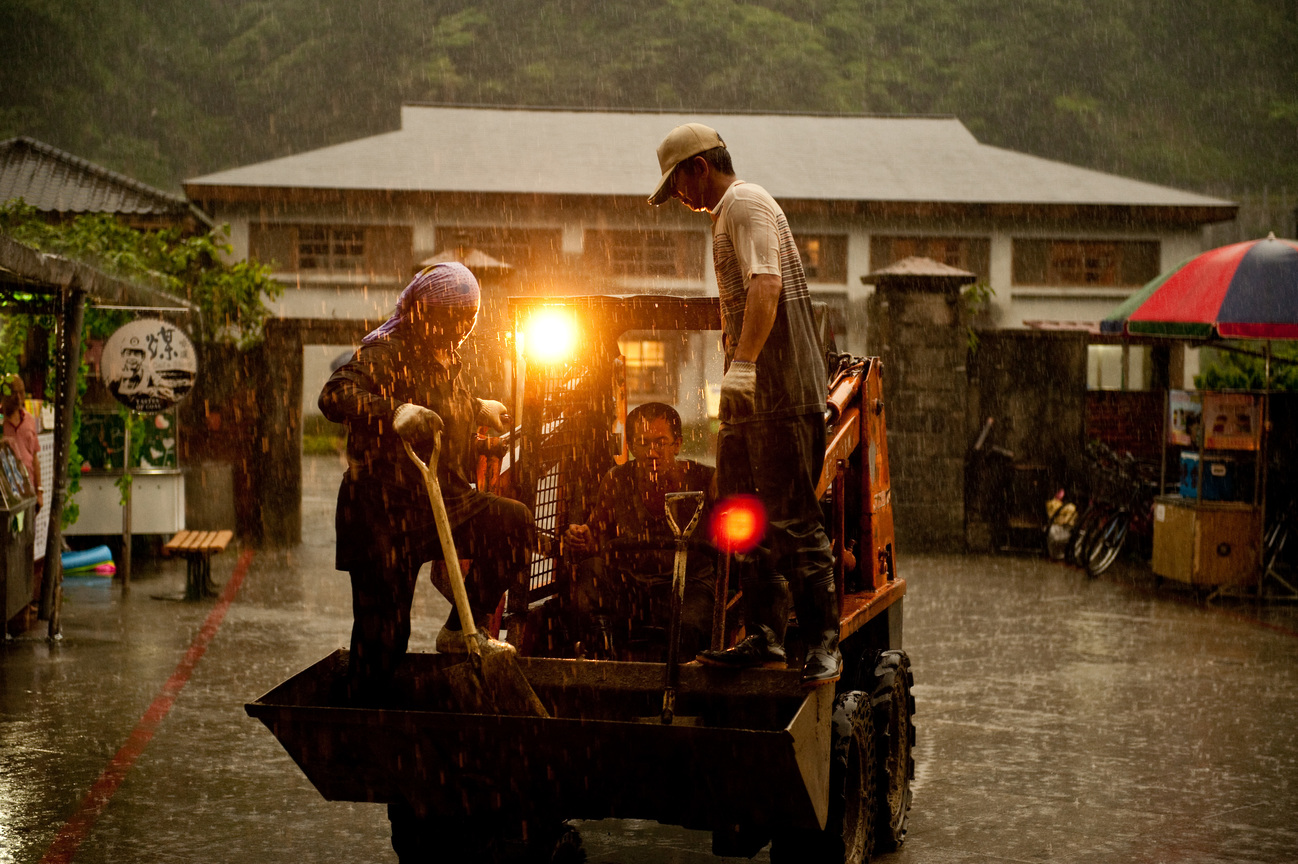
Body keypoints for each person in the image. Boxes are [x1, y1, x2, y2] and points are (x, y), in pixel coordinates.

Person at [648, 123, 839, 685]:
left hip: (780, 391)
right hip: (749, 398)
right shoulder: (722, 217)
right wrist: (736, 375)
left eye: (678, 183)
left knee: (795, 520)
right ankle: (763, 635)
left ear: (699, 167)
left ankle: (823, 644)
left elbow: (766, 285)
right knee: (742, 518)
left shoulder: (745, 203)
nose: (678, 197)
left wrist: (748, 363)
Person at [563, 402, 716, 659]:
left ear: (677, 444)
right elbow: (596, 536)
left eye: (661, 442)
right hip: (631, 582)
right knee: (591, 572)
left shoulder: (704, 479)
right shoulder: (616, 480)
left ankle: (684, 682)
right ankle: (602, 664)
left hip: (689, 583)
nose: (652, 452)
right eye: (643, 443)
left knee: (689, 630)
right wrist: (582, 536)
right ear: (631, 447)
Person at [2, 374, 43, 513]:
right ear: (4, 395)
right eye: (14, 393)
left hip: (28, 491)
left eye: (21, 392)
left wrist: (39, 491)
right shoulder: (1, 424)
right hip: (7, 497)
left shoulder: (29, 420)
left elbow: (35, 460)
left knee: (29, 532)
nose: (19, 398)